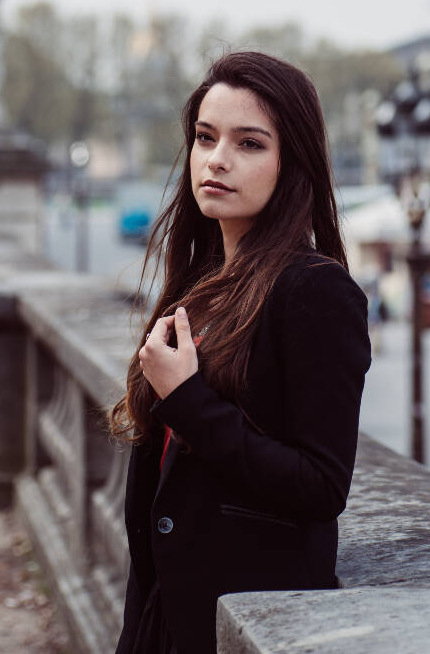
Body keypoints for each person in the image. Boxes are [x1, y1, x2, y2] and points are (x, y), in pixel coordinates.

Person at [109, 51, 371, 654]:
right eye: (205, 138)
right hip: (168, 620)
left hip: (243, 622)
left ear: (291, 162)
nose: (217, 159)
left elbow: (321, 485)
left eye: (249, 143)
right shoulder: (204, 284)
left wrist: (188, 401)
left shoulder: (315, 291)